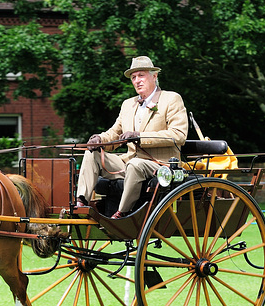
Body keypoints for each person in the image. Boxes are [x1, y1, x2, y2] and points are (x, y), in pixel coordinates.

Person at [76, 56, 188, 218]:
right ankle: (82, 203)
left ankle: (122, 213)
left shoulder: (171, 99)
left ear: (154, 76)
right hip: (127, 162)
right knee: (92, 154)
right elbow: (114, 133)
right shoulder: (128, 104)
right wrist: (100, 139)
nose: (137, 81)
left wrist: (140, 136)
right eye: (133, 78)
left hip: (160, 165)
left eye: (141, 75)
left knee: (135, 164)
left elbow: (178, 135)